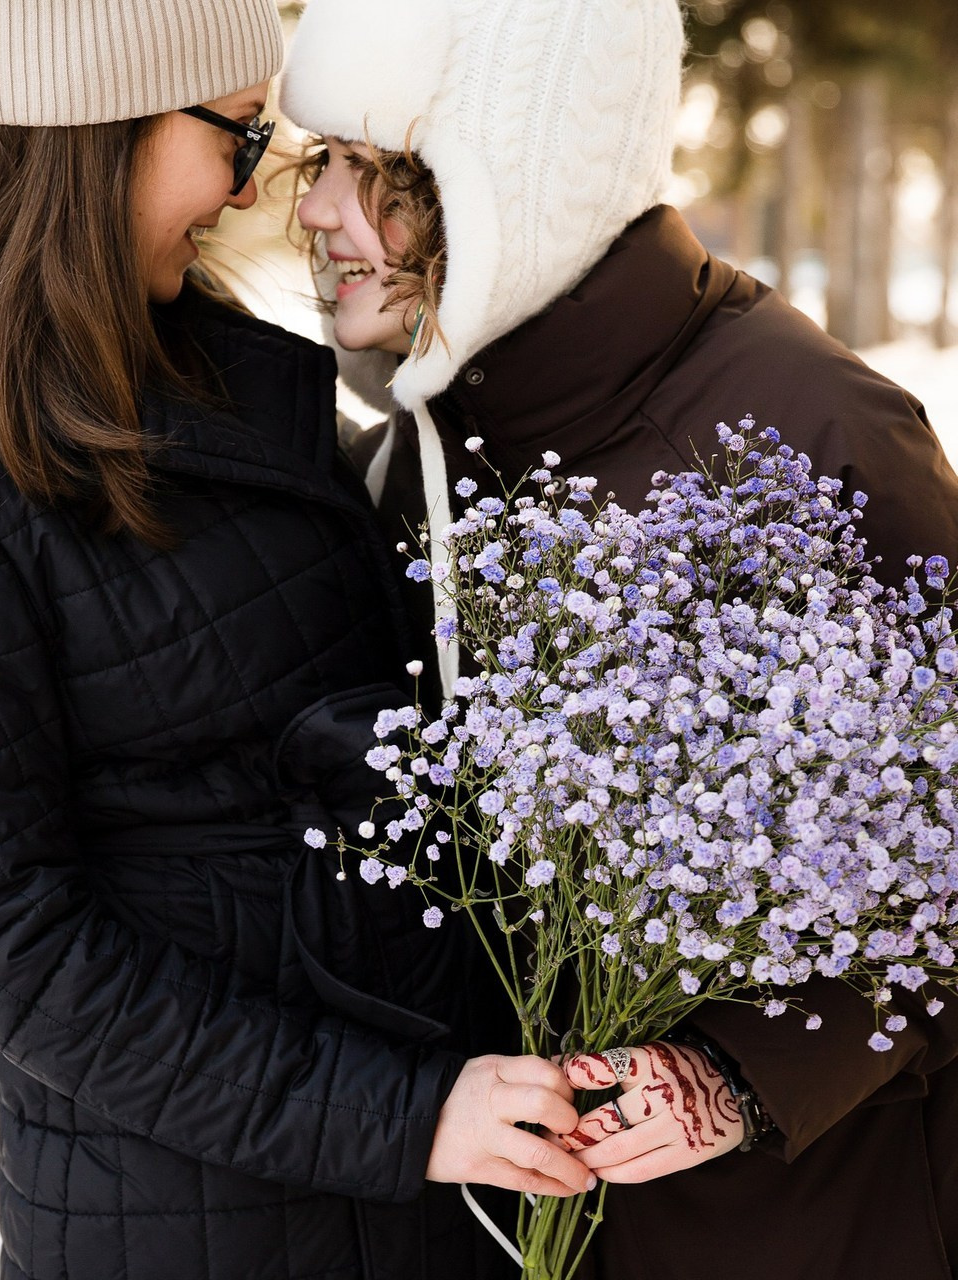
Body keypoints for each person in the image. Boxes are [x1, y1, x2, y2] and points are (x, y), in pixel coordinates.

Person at [0, 2, 599, 1278]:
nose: (241, 189)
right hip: (202, 1213)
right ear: (100, 123)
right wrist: (399, 1116)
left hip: (421, 1174)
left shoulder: (172, 350)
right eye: (234, 134)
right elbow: (12, 945)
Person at [282, 0, 958, 1277]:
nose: (316, 208)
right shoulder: (412, 460)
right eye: (319, 160)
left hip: (802, 1226)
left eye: (370, 168)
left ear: (509, 177)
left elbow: (938, 856)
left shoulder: (816, 430)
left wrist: (738, 1074)